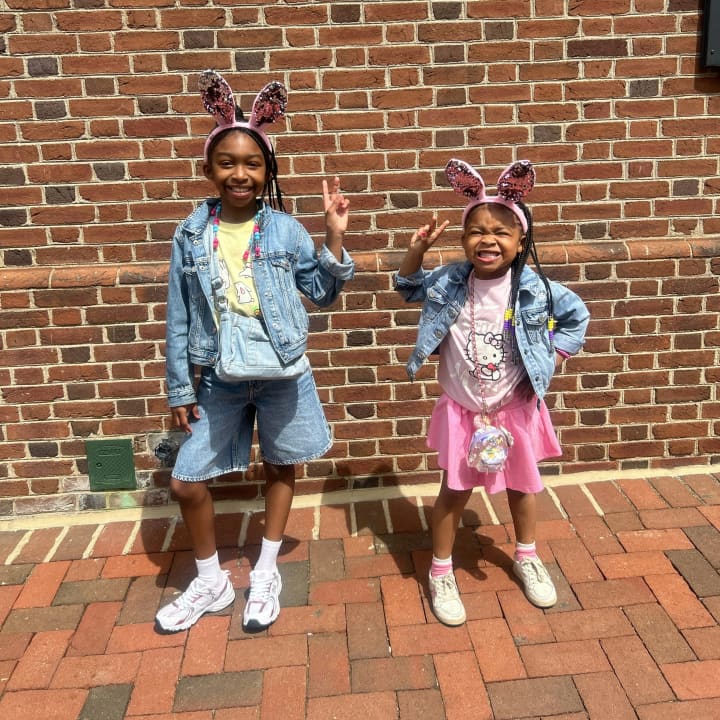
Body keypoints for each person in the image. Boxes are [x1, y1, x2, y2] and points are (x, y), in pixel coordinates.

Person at [156, 70, 354, 633]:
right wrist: (180, 387)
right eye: (227, 163)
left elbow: (322, 293)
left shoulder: (286, 230)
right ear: (209, 169)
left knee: (281, 464)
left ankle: (265, 570)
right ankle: (211, 581)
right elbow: (179, 313)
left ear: (267, 172)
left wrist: (333, 237)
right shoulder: (191, 234)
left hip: (283, 372)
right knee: (186, 480)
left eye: (252, 164)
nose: (240, 174)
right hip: (219, 375)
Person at [395, 158, 589, 626]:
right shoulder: (448, 281)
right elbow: (407, 287)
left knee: (523, 487)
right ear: (464, 240)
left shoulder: (534, 288)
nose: (488, 240)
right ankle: (441, 570)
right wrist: (417, 251)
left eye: (501, 232)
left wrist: (553, 359)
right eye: (476, 231)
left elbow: (577, 318)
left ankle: (527, 556)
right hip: (464, 410)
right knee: (454, 490)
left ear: (521, 241)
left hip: (514, 407)